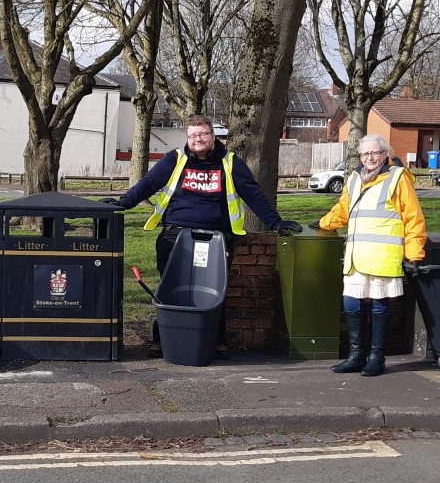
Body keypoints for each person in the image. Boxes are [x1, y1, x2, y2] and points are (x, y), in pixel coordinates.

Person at [102, 115, 301, 359]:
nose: (198, 139)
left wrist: (275, 222)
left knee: (214, 290)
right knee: (168, 286)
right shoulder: (175, 160)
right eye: (193, 135)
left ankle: (216, 340)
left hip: (216, 238)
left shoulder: (230, 163)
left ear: (213, 136)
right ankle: (162, 339)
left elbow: (254, 194)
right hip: (176, 233)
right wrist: (123, 203)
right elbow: (148, 184)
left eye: (203, 134)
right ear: (188, 137)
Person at [314, 134, 426, 377]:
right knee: (351, 304)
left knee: (378, 307)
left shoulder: (398, 177)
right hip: (356, 257)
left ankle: (376, 357)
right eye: (365, 154)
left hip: (382, 257)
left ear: (385, 153)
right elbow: (344, 209)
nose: (370, 157)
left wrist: (415, 253)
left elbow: (413, 218)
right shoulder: (355, 178)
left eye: (375, 152)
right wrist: (323, 223)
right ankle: (356, 356)